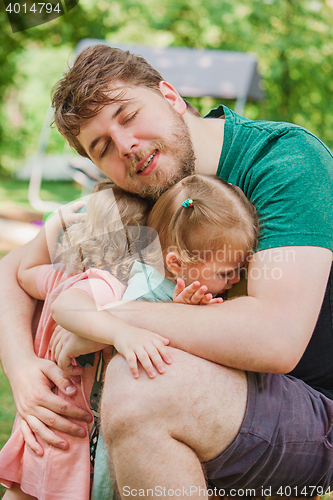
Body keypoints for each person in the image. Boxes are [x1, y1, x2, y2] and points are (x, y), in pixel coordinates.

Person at [0, 43, 333, 498]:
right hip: (209, 397)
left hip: (311, 414)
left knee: (140, 385)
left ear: (171, 95)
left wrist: (109, 322)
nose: (126, 146)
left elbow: (276, 339)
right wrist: (23, 370)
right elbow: (12, 271)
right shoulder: (143, 190)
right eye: (102, 147)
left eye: (128, 115)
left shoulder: (283, 160)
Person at [0, 181, 168, 500]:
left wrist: (52, 225)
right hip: (69, 426)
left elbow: (24, 273)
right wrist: (122, 332)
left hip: (43, 416)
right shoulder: (104, 287)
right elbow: (73, 307)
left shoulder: (59, 276)